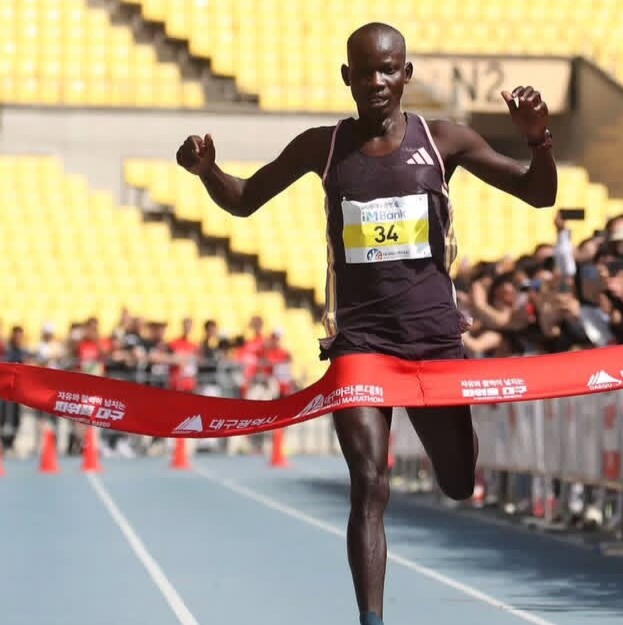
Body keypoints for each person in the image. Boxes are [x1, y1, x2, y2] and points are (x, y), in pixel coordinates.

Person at [176, 22, 557, 625]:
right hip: (360, 345)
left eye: (389, 69)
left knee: (459, 481)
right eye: (366, 71)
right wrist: (208, 172)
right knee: (370, 483)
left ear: (406, 75)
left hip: (434, 343)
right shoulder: (323, 147)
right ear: (347, 77)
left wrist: (538, 141)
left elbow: (538, 194)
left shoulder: (444, 140)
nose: (377, 81)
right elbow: (245, 199)